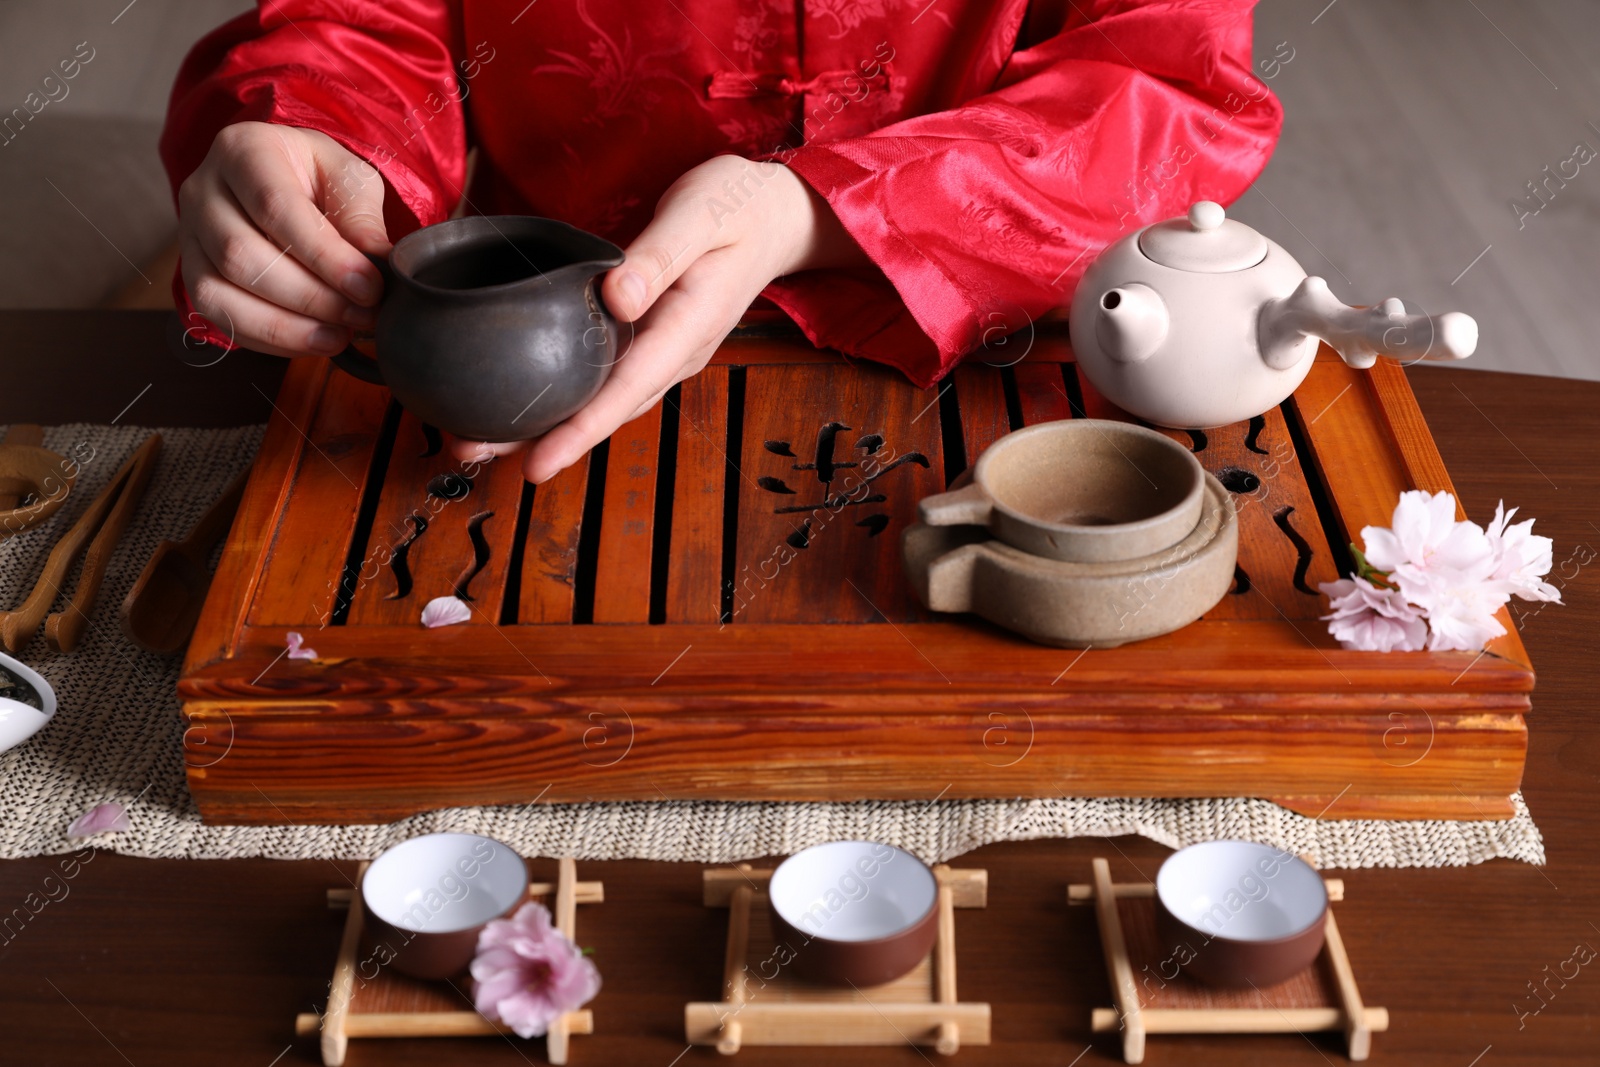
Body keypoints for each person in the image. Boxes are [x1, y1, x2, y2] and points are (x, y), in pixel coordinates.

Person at [160, 0, 1281, 484]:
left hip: (977, 308)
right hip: (554, 316)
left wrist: (814, 208)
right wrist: (318, 118)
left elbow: (1165, 74)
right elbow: (366, 19)